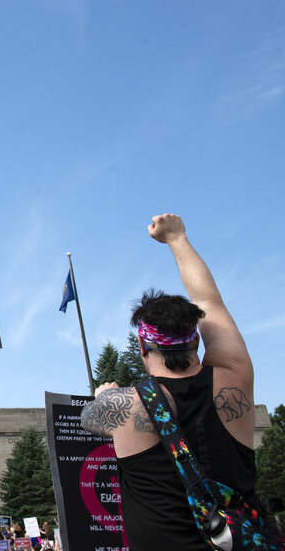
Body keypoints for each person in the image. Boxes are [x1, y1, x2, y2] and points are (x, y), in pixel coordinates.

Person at [80, 214, 260, 550]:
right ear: (197, 338)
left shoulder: (123, 404)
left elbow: (88, 419)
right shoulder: (234, 376)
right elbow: (209, 302)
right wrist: (177, 238)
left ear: (142, 346)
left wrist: (106, 395)